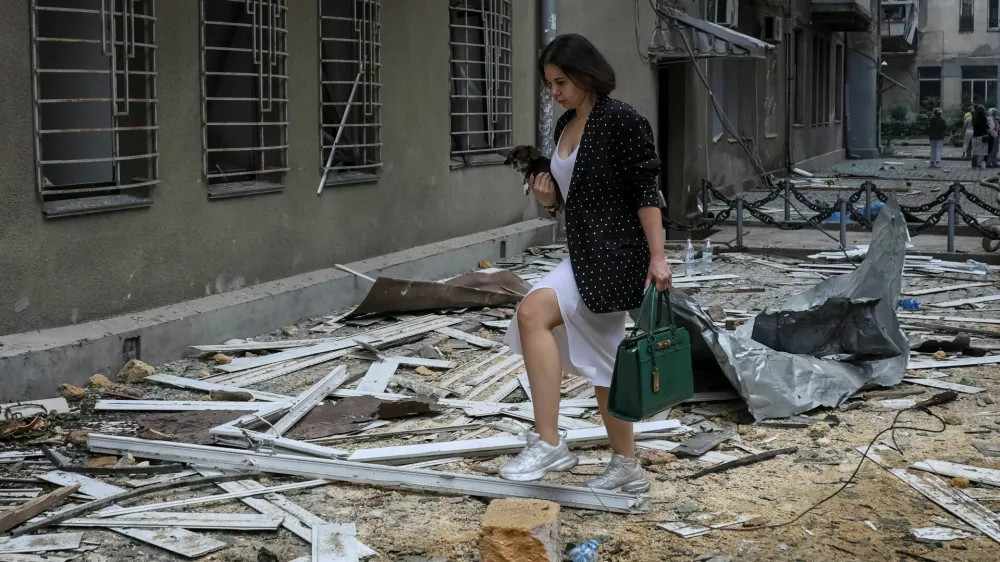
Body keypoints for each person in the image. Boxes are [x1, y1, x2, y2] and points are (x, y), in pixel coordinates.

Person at [499, 34, 671, 491]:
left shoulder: (621, 121)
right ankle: (626, 467)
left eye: (561, 82)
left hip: (617, 256)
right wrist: (548, 198)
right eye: (549, 84)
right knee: (601, 361)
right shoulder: (564, 126)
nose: (554, 92)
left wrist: (658, 256)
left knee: (535, 313)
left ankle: (552, 443)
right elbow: (571, 199)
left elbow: (645, 191)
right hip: (583, 254)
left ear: (585, 74)